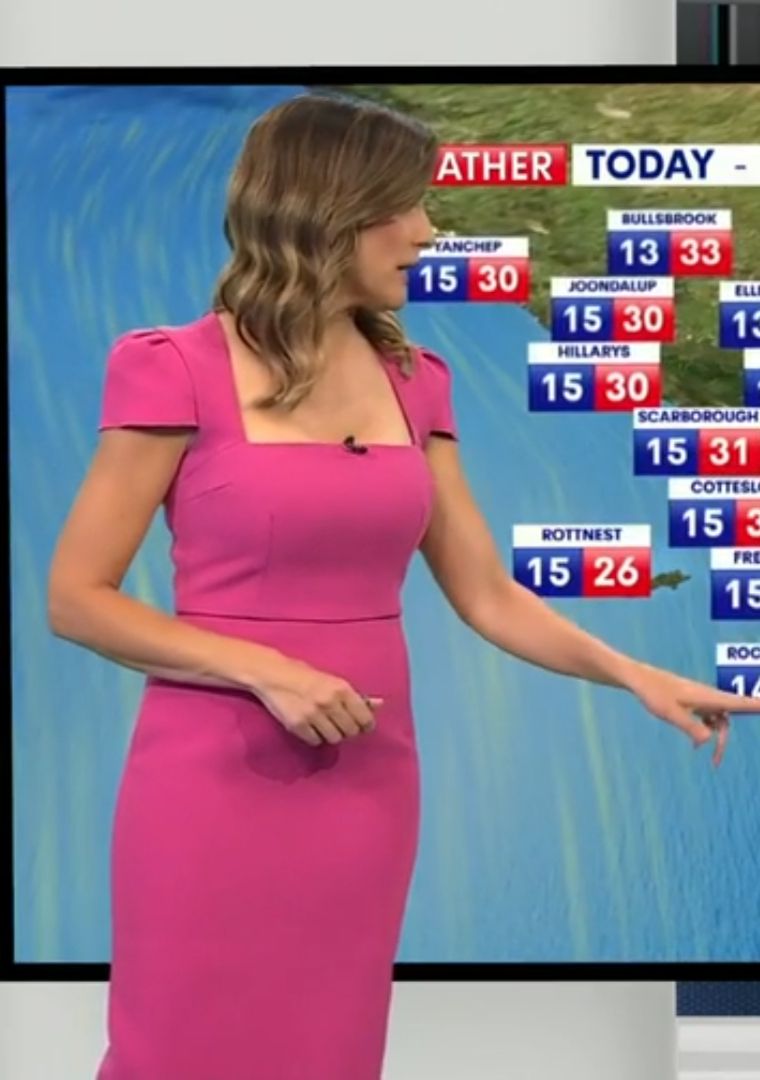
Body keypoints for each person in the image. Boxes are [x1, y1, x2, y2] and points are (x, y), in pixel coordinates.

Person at [47, 92, 758, 1080]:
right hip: (211, 777)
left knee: (328, 1049)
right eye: (403, 206)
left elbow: (487, 593)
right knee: (182, 1045)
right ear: (324, 211)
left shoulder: (416, 380)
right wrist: (268, 670)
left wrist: (636, 675)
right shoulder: (174, 368)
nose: (426, 232)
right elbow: (78, 597)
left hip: (367, 780)